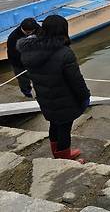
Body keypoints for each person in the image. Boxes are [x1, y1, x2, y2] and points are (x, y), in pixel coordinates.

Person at [20, 15, 91, 163]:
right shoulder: (64, 53)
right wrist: (85, 97)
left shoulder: (29, 50)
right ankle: (65, 158)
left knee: (54, 124)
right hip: (64, 99)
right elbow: (76, 80)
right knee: (64, 127)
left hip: (45, 98)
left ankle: (56, 154)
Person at [6, 18, 39, 98]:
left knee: (38, 78)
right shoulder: (13, 38)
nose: (30, 33)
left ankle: (39, 93)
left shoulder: (37, 29)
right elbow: (14, 54)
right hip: (18, 62)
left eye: (32, 31)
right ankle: (27, 94)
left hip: (35, 60)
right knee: (23, 80)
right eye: (28, 32)